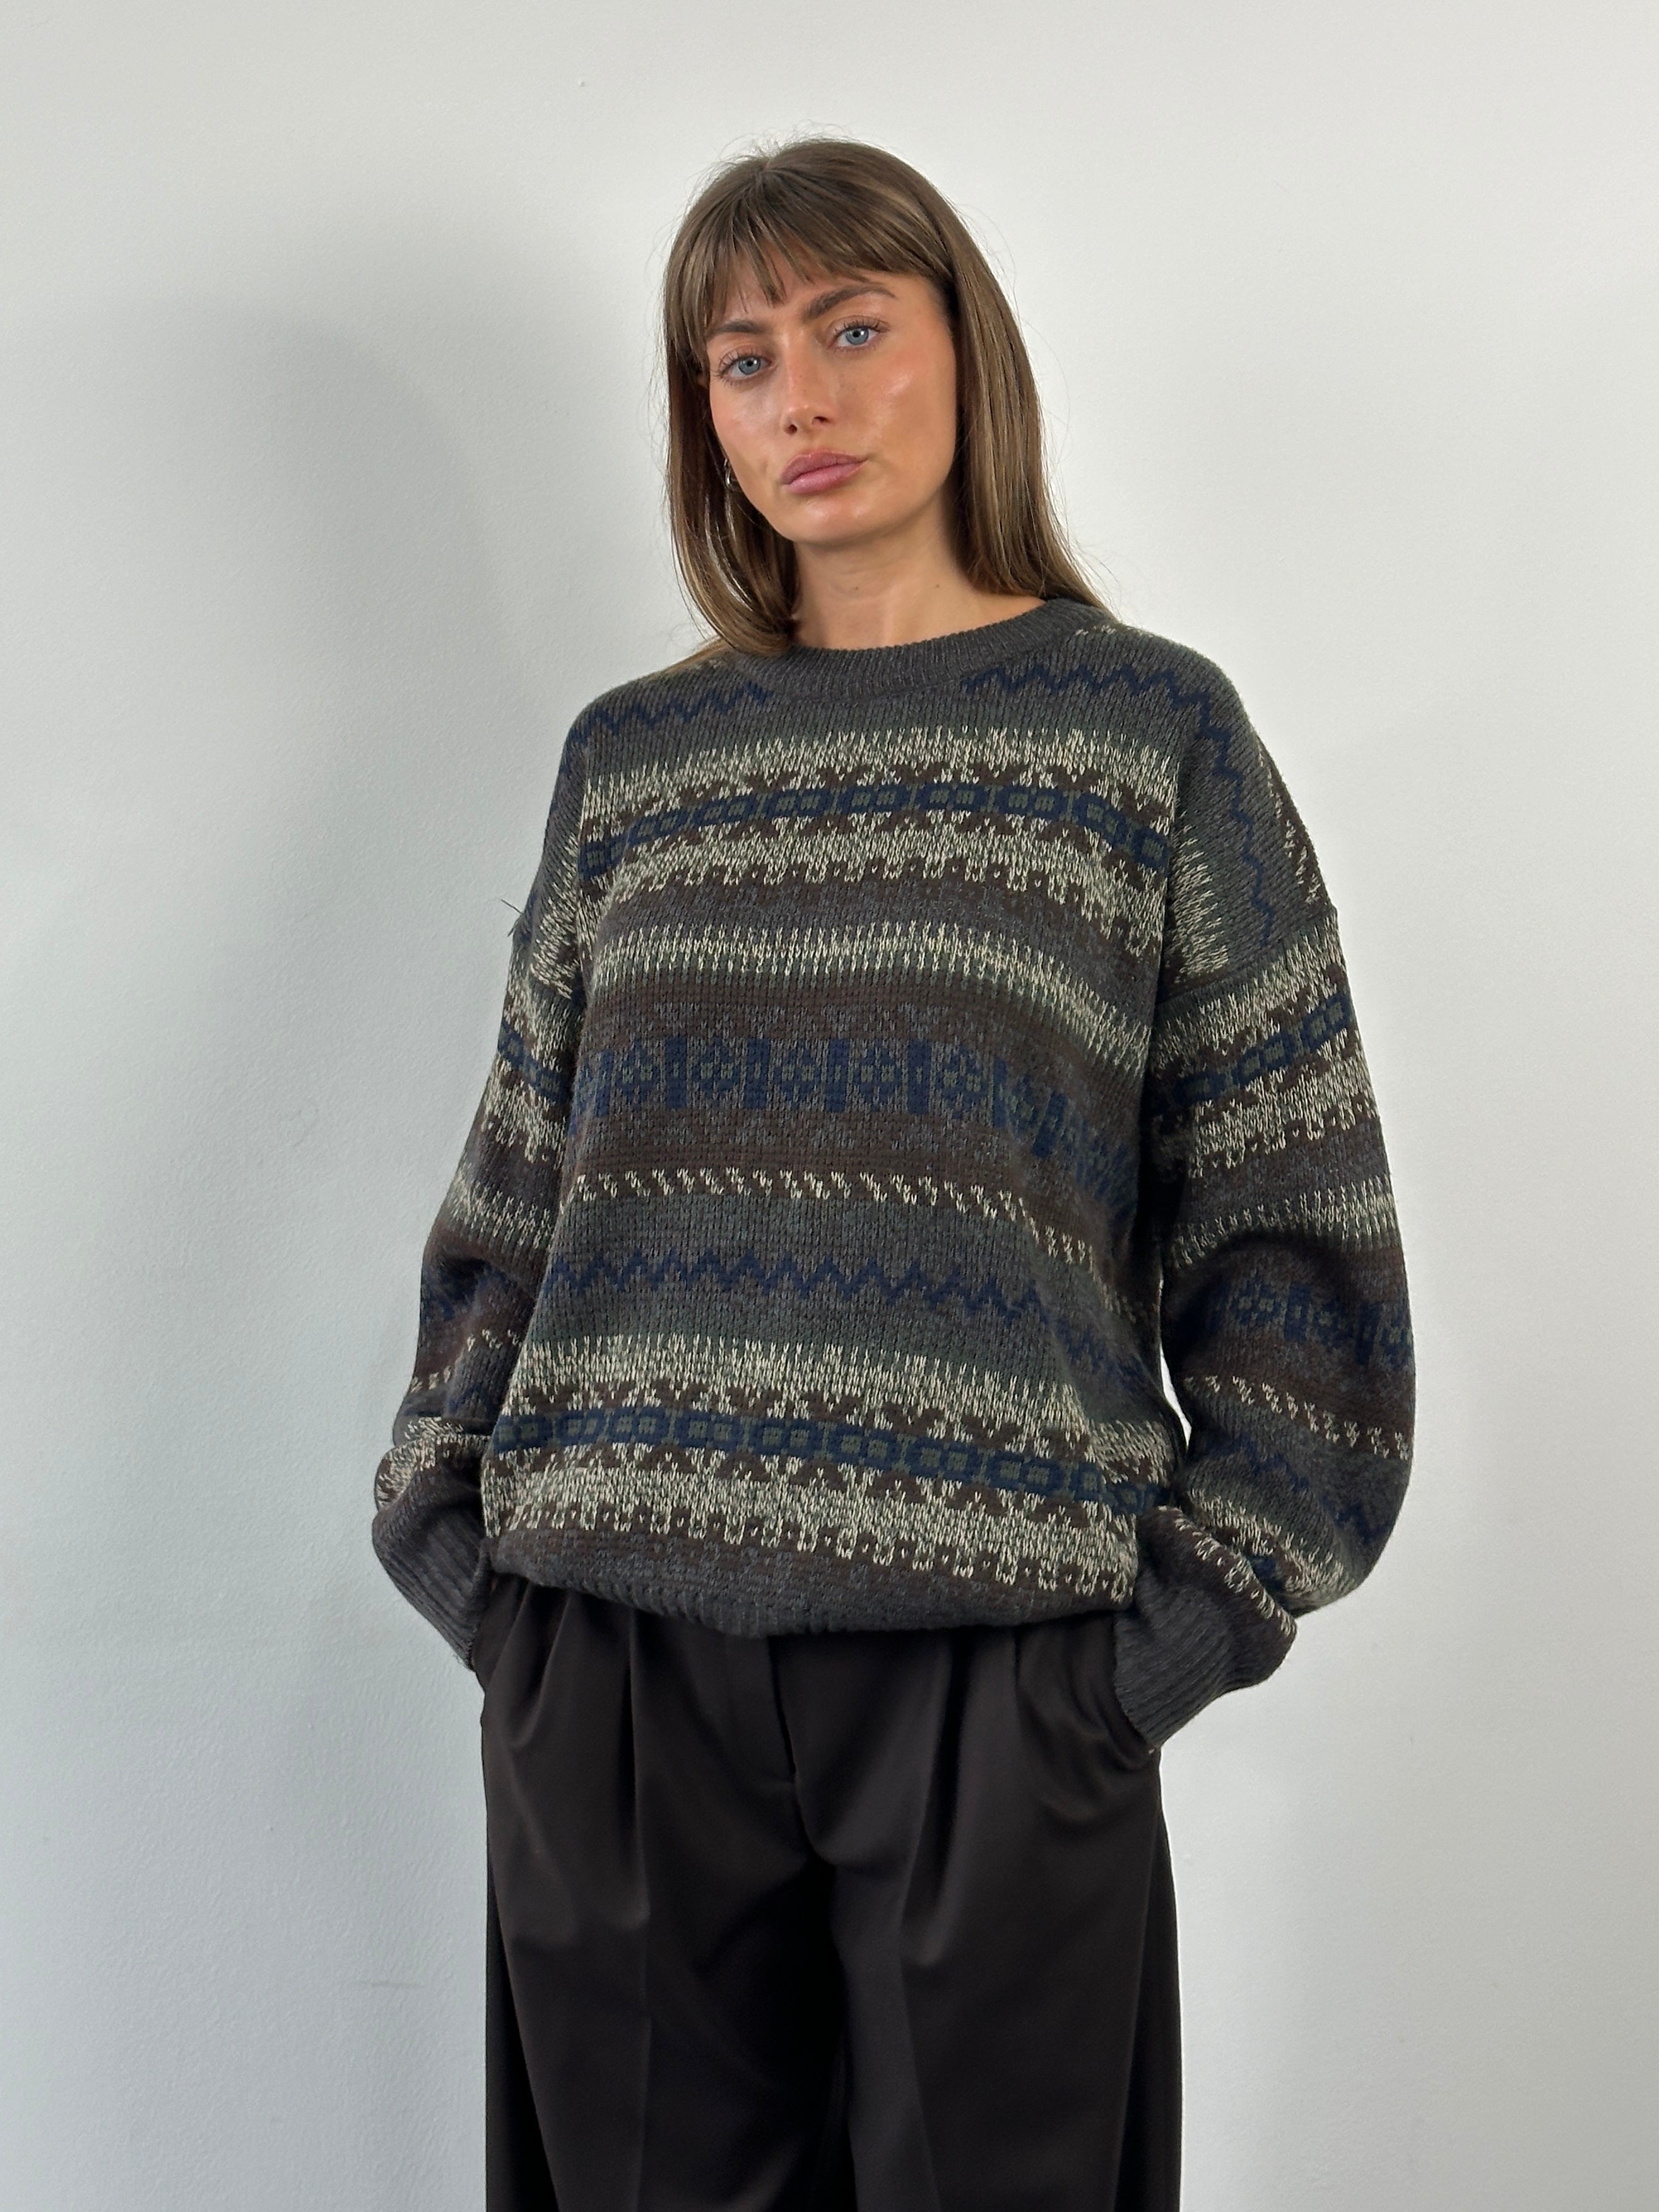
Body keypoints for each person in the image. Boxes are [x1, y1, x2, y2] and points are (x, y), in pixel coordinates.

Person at [370, 136, 1415, 2212]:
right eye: (744, 360)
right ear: (705, 415)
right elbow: (514, 1196)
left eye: (852, 328)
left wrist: (1152, 1656)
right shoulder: (635, 763)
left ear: (966, 348)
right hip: (617, 1673)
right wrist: (470, 1559)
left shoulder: (1146, 740)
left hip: (1000, 1683)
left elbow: (1298, 1238)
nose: (805, 400)